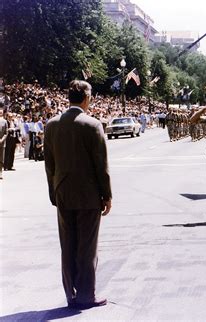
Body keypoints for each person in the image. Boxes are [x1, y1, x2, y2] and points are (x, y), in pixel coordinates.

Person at [44, 80, 112, 309]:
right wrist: (107, 194)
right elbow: (101, 164)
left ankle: (70, 294)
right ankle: (85, 295)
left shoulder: (52, 125)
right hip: (88, 193)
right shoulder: (92, 124)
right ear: (86, 98)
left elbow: (49, 164)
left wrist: (53, 191)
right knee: (87, 246)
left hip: (62, 191)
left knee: (68, 244)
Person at [0, 109, 7, 179]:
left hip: (1, 143)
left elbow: (6, 132)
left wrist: (2, 140)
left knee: (1, 158)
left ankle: (0, 172)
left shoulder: (4, 121)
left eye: (1, 113)